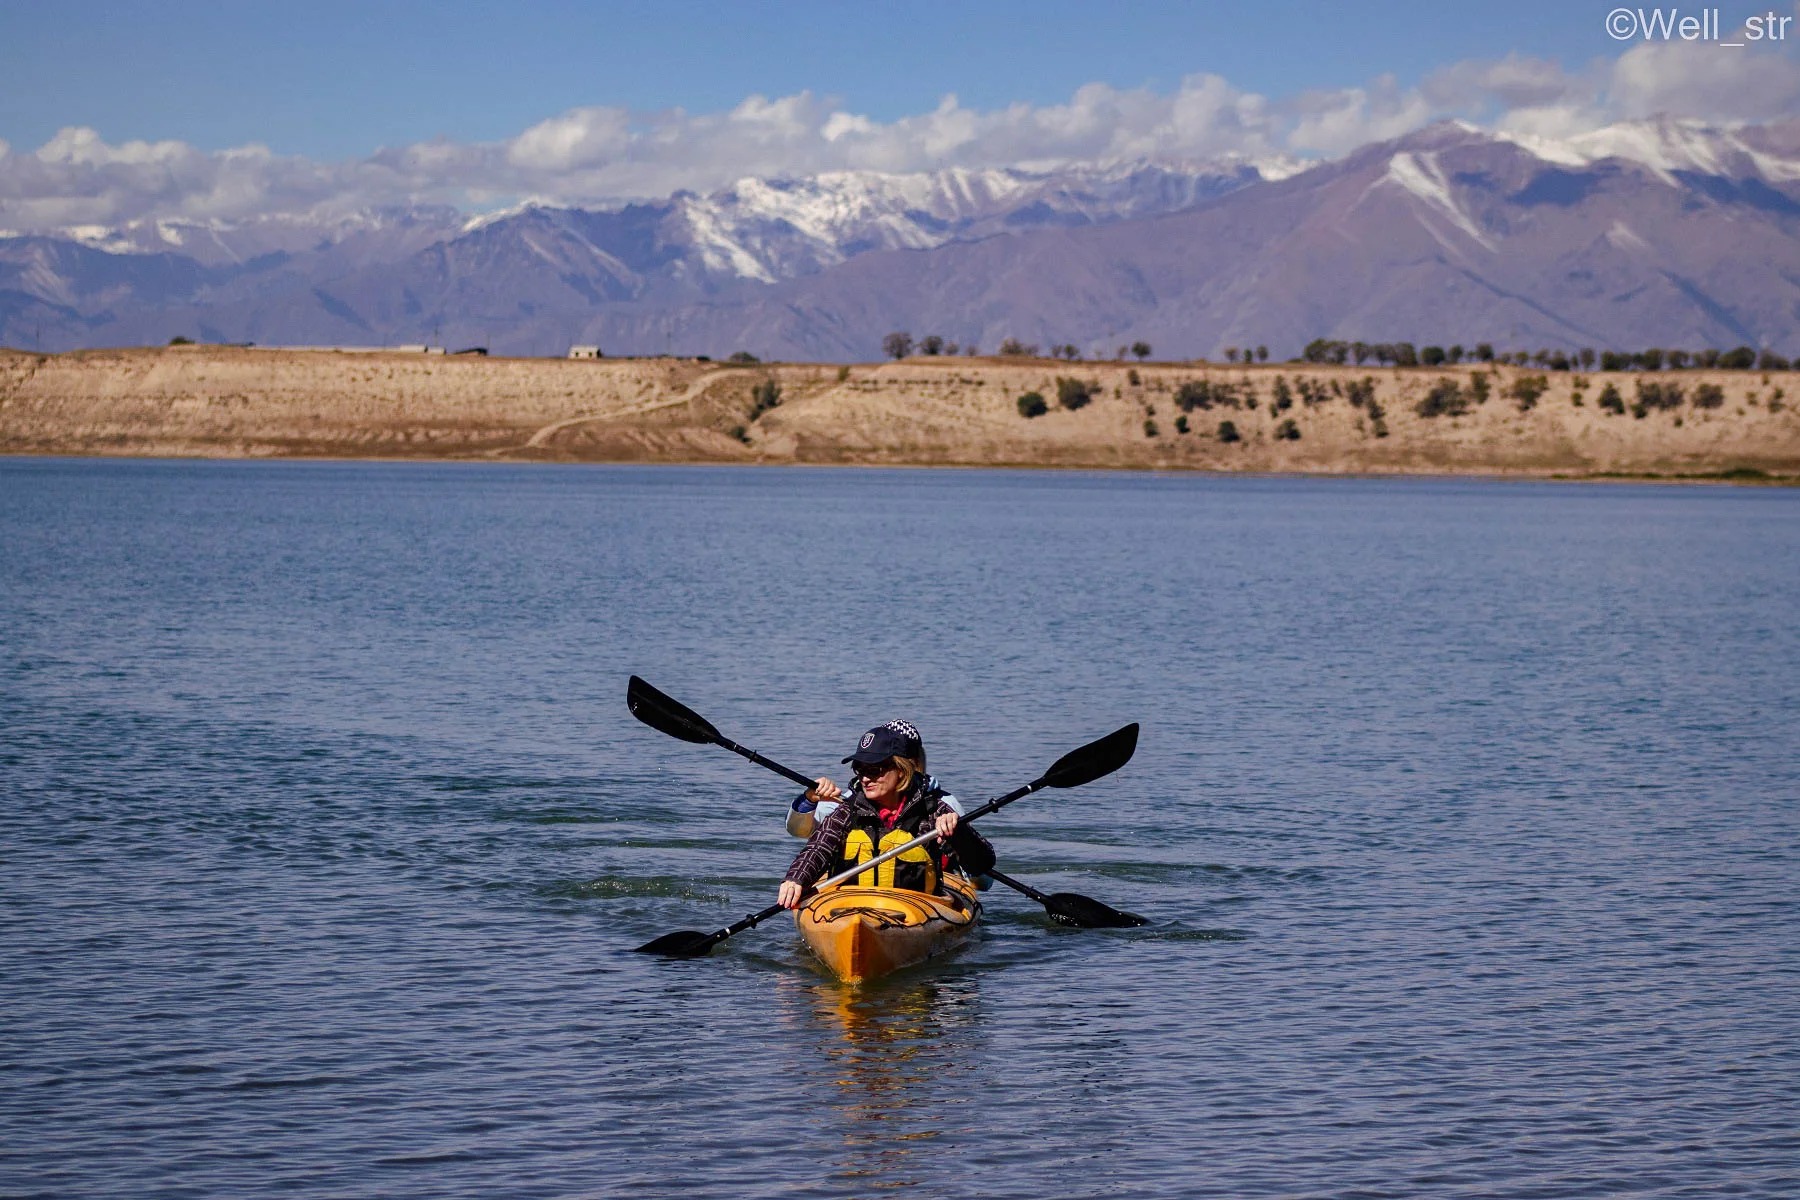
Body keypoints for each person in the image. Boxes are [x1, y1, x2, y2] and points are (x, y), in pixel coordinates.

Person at [777, 721, 994, 910]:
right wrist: (796, 878)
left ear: (902, 769)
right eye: (860, 770)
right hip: (850, 905)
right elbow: (818, 847)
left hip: (914, 908)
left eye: (875, 770)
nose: (865, 779)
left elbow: (981, 864)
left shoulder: (934, 809)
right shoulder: (847, 810)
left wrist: (958, 832)